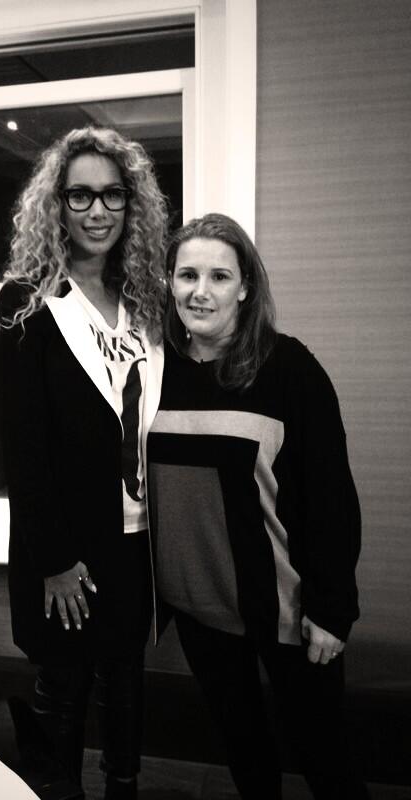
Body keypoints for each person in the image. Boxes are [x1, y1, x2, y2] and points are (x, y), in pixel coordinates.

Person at [147, 213, 369, 799]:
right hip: (198, 608)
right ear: (170, 282)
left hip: (286, 607)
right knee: (244, 751)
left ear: (245, 286)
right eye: (187, 275)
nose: (201, 291)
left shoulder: (289, 368)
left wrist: (333, 609)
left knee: (325, 758)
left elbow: (331, 498)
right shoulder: (152, 372)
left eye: (219, 276)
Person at [0, 126, 167, 799]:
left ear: (131, 204)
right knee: (63, 685)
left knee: (126, 677)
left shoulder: (145, 300)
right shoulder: (27, 301)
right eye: (80, 196)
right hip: (66, 546)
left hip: (135, 537)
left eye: (113, 195)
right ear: (57, 205)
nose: (98, 211)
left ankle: (124, 786)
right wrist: (55, 559)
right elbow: (23, 445)